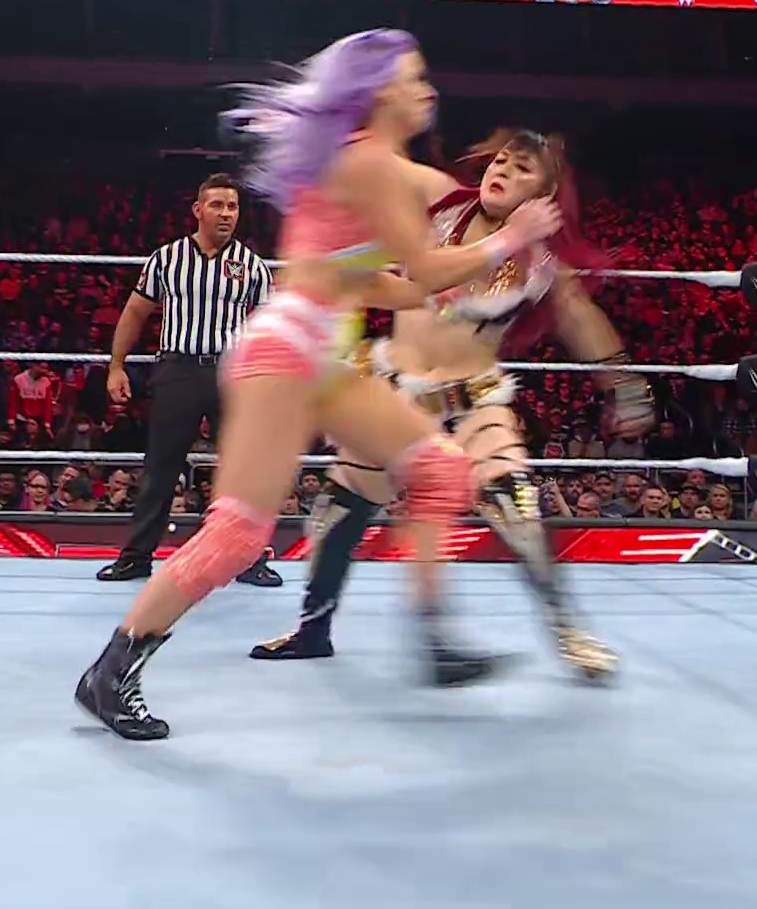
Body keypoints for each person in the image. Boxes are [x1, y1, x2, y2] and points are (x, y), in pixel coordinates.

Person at [75, 29, 563, 740]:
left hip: (325, 358)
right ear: (379, 92)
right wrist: (507, 238)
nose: (428, 90)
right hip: (286, 352)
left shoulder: (374, 167)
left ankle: (436, 640)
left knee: (439, 471)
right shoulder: (367, 165)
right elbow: (429, 265)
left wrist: (485, 242)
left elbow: (364, 276)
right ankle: (112, 669)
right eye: (414, 77)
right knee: (239, 534)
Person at [248, 128, 656, 681]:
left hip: (472, 399)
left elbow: (582, 321)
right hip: (396, 394)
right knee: (339, 508)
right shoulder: (437, 211)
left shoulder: (540, 265)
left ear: (544, 195)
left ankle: (568, 632)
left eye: (522, 168)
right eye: (501, 160)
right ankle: (312, 629)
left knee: (517, 505)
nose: (502, 170)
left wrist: (625, 385)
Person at [96, 174, 281, 587]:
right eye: (217, 205)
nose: (226, 214)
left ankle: (249, 558)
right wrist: (116, 365)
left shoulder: (252, 265)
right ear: (198, 210)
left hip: (232, 373)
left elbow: (270, 327)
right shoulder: (166, 259)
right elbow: (135, 312)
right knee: (161, 466)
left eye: (232, 207)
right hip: (177, 368)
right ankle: (136, 557)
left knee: (242, 469)